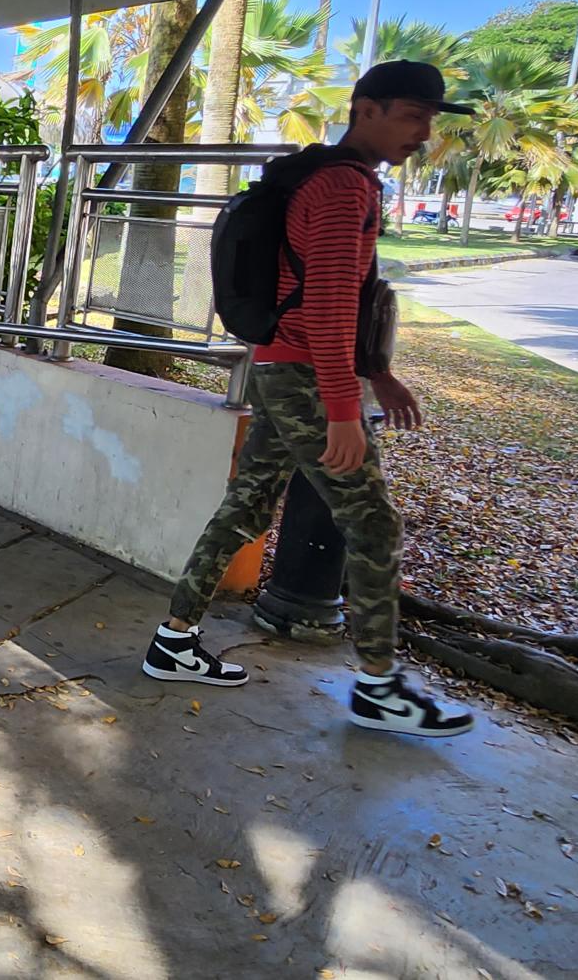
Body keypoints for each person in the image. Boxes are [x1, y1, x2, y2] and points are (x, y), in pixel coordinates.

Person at [141, 60, 478, 738]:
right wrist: (345, 408)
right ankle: (380, 690)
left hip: (284, 369)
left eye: (430, 119)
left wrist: (377, 372)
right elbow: (325, 304)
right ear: (365, 111)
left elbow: (353, 296)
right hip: (303, 377)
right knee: (375, 523)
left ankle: (173, 642)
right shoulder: (338, 190)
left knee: (247, 506)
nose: (423, 131)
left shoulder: (343, 182)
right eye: (412, 114)